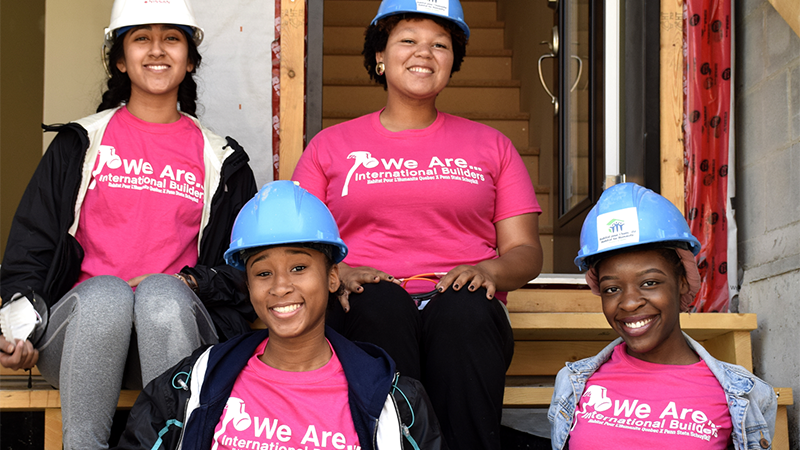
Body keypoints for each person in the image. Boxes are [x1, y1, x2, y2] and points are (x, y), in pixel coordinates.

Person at [0, 0, 257, 447]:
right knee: (106, 295)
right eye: (141, 38)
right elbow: (31, 246)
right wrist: (16, 332)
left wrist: (190, 282)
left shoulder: (223, 158)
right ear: (120, 59)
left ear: (190, 58)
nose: (157, 49)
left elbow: (247, 268)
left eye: (171, 38)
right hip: (83, 342)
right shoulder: (79, 145)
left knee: (161, 293)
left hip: (176, 336)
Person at [291, 0, 543, 448]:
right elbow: (299, 245)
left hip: (466, 311)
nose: (424, 53)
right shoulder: (330, 146)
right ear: (379, 57)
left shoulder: (493, 145)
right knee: (378, 304)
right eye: (407, 40)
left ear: (452, 62)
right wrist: (339, 273)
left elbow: (525, 251)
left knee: (462, 309)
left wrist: (488, 272)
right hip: (365, 303)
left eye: (440, 45)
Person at [112, 180, 446, 450]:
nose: (280, 287)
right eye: (263, 273)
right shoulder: (190, 385)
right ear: (248, 285)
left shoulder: (396, 402)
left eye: (299, 267)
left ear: (333, 277)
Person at [548, 183, 777, 450]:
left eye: (649, 283)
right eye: (612, 289)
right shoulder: (573, 385)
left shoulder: (743, 396)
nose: (630, 303)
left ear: (682, 282)